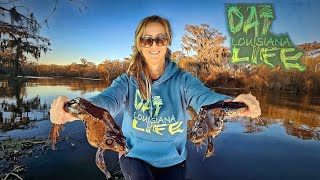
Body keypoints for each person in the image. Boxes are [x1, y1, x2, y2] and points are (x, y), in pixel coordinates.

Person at [50, 15, 261, 180]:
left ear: (167, 42)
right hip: (134, 156)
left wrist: (236, 102)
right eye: (147, 40)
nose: (154, 45)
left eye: (160, 39)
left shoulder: (183, 80)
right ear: (139, 44)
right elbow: (106, 101)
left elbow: (205, 99)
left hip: (174, 160)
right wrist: (74, 108)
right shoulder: (127, 81)